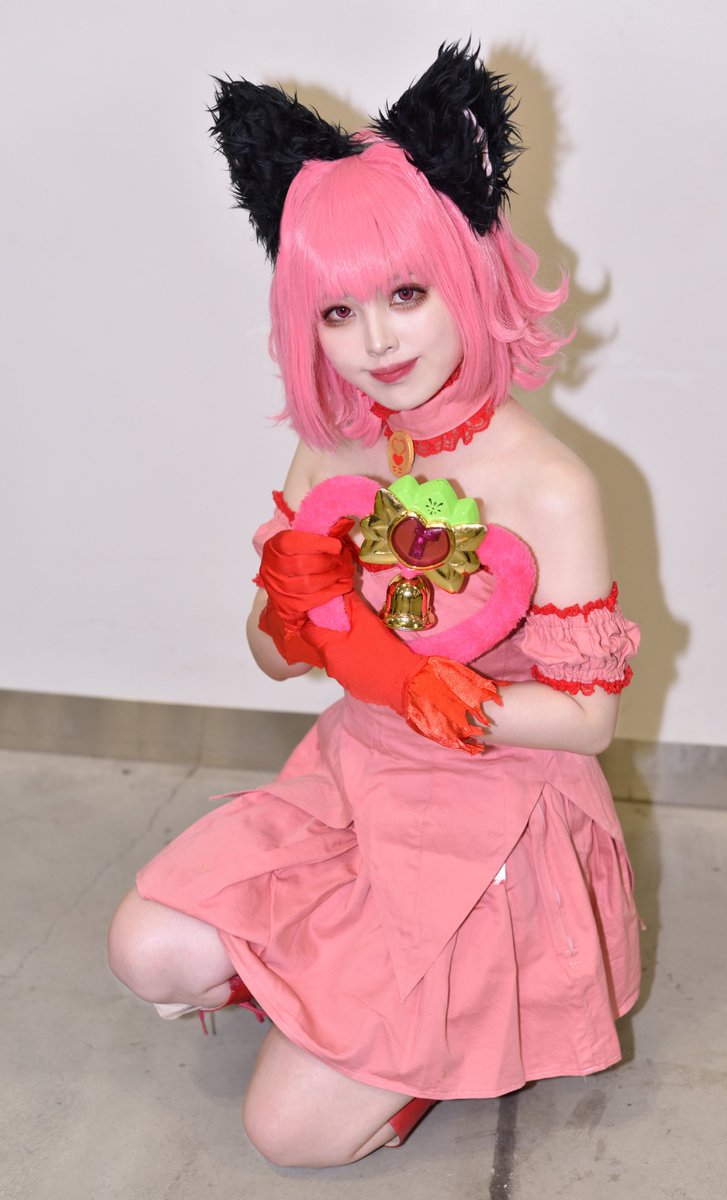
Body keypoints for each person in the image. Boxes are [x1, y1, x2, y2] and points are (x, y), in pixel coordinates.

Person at [108, 43, 641, 1169]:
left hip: (495, 810)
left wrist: (438, 698)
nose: (378, 342)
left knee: (287, 1136)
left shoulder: (550, 485)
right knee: (149, 951)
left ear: (468, 274)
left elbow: (589, 720)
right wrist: (292, 608)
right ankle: (335, 1005)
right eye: (338, 311)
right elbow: (273, 659)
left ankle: (423, 1047)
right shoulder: (334, 448)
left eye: (406, 295)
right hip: (353, 776)